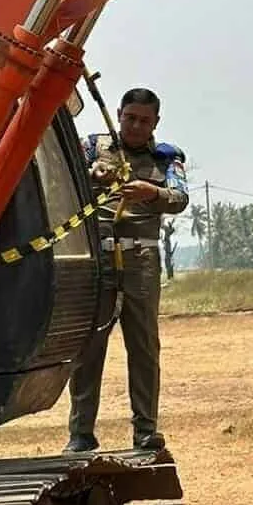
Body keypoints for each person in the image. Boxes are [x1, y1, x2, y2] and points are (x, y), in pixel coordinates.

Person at [64, 87, 188, 455]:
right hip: (99, 260)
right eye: (130, 117)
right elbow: (64, 180)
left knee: (144, 346)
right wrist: (92, 173)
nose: (135, 126)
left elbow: (180, 198)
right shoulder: (93, 146)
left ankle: (146, 431)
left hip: (142, 263)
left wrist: (152, 193)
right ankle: (81, 433)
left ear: (156, 122)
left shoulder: (166, 158)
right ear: (118, 113)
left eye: (144, 121)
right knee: (89, 346)